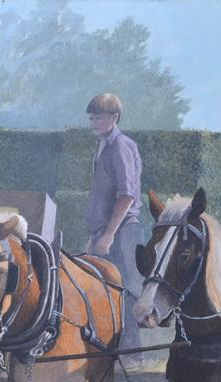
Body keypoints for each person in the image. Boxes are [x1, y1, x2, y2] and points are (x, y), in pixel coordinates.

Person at [84, 92, 143, 349]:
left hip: (123, 231)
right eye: (91, 118)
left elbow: (127, 196)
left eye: (98, 117)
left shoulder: (120, 146)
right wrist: (96, 233)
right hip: (105, 231)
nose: (93, 123)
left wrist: (108, 235)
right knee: (103, 285)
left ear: (114, 117)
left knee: (125, 287)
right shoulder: (103, 145)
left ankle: (132, 350)